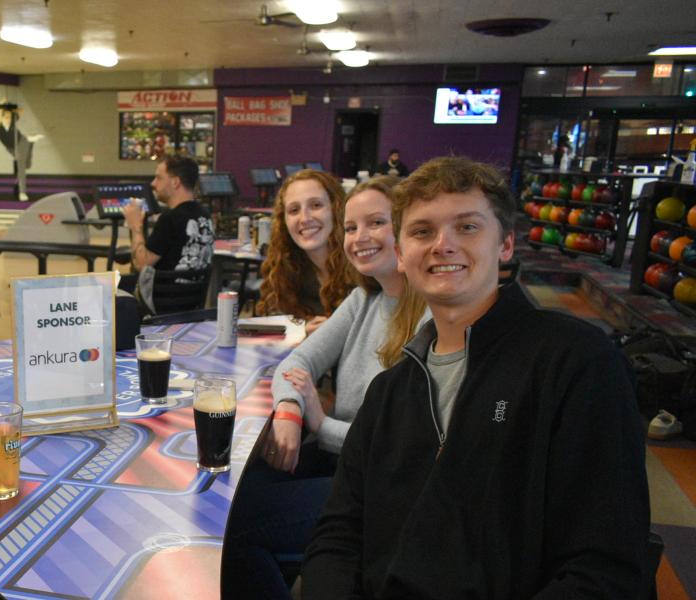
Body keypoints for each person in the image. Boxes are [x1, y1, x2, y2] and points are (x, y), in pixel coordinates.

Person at [302, 156, 650, 599]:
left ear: (505, 245)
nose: (442, 245)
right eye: (422, 231)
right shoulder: (390, 391)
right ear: (403, 255)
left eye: (467, 227)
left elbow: (607, 569)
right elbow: (338, 535)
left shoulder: (577, 363)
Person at [223, 177, 427, 598]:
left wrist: (321, 421)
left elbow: (403, 447)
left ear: (407, 230)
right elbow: (297, 362)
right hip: (343, 464)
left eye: (376, 223)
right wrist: (289, 412)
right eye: (352, 228)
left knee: (236, 532)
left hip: (380, 485)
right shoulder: (363, 300)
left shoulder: (430, 316)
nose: (360, 238)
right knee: (235, 496)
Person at [257, 169, 353, 335]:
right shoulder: (286, 267)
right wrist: (299, 332)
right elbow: (270, 329)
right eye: (294, 210)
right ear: (284, 221)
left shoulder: (361, 267)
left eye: (316, 205)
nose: (305, 218)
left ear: (336, 209)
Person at [121, 155, 214, 313]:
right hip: (192, 303)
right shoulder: (205, 215)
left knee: (110, 287)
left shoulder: (170, 218)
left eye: (158, 178)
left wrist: (136, 226)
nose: (153, 184)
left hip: (164, 304)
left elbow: (141, 264)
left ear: (175, 182)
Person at [0, 100, 43, 202]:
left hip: (21, 142)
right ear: (1, 118)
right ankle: (31, 141)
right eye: (6, 118)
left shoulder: (12, 121)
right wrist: (1, 105)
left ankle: (22, 192)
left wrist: (11, 108)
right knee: (26, 166)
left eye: (10, 118)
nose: (8, 120)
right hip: (11, 148)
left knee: (22, 167)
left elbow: (21, 111)